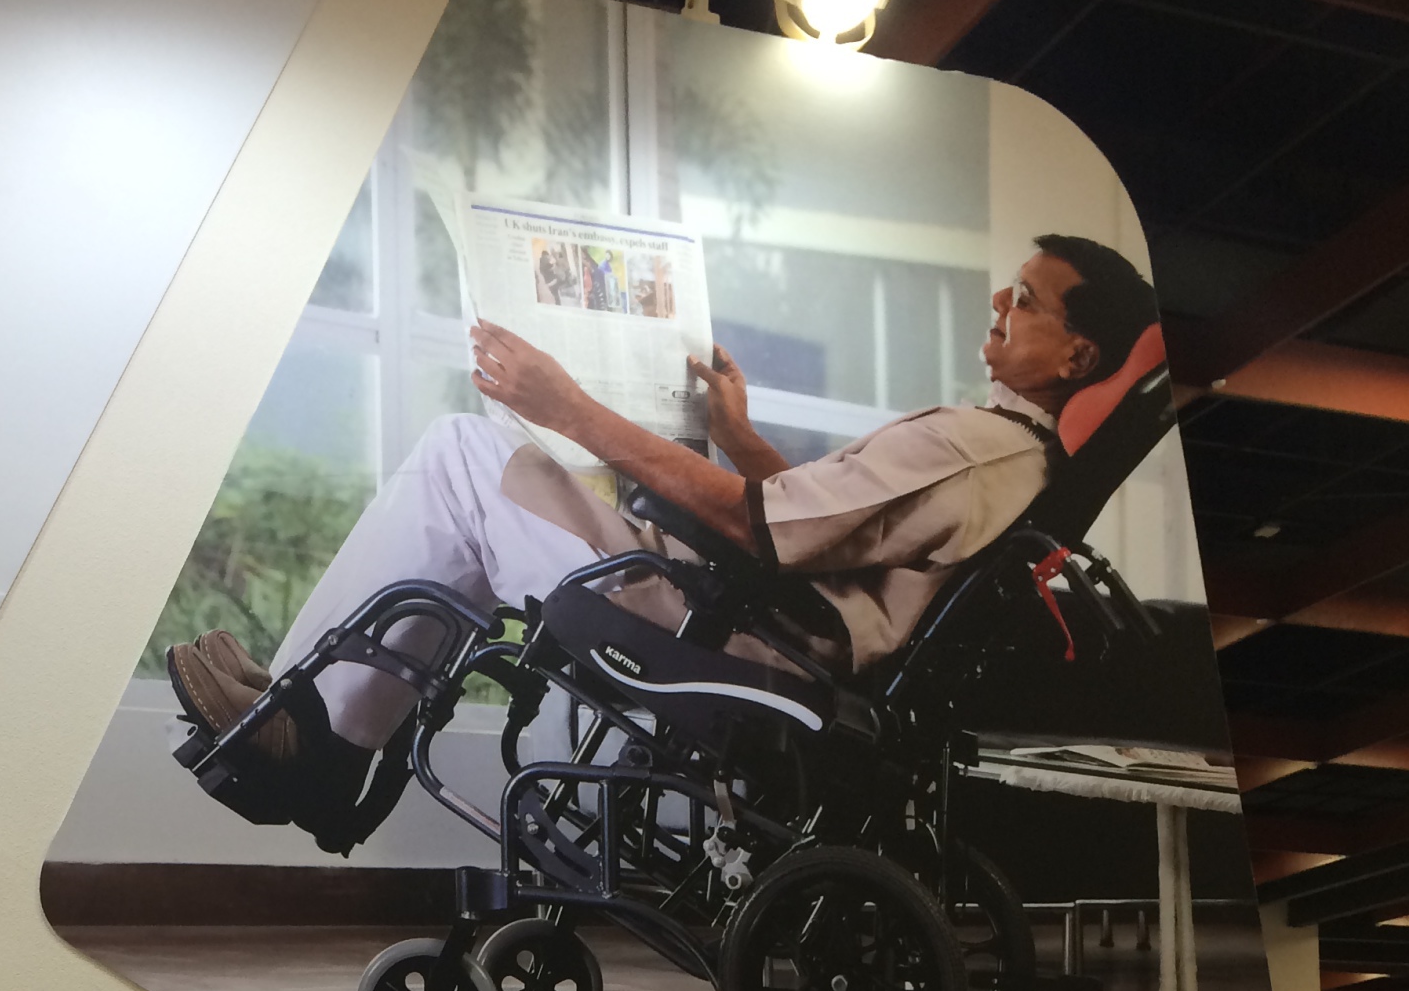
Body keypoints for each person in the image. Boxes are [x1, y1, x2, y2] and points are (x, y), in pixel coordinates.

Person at [168, 234, 1160, 830]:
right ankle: (312, 732)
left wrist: (567, 406)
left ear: (1077, 357)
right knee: (469, 486)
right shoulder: (1000, 452)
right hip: (766, 618)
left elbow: (761, 528)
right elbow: (830, 529)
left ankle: (306, 740)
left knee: (463, 455)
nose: (1001, 300)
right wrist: (737, 435)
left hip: (747, 636)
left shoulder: (981, 450)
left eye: (1027, 298)